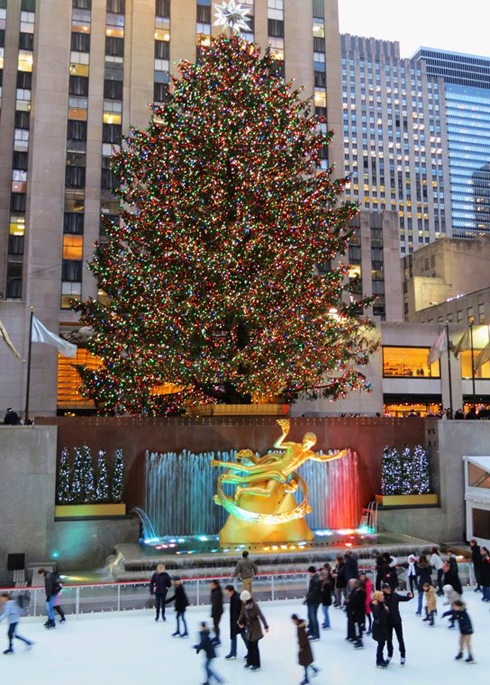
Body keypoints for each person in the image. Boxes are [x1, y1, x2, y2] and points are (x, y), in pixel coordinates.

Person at [382, 582, 413, 665]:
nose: (389, 589)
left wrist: (409, 596)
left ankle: (403, 655)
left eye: (389, 588)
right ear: (384, 589)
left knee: (400, 638)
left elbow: (404, 598)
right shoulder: (382, 598)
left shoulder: (395, 595)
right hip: (388, 622)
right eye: (387, 588)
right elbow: (374, 604)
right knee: (389, 639)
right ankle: (389, 654)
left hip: (397, 621)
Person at [238, 590, 269, 672]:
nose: (243, 601)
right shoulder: (244, 604)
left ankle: (257, 664)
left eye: (244, 600)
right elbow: (242, 613)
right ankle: (249, 661)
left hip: (255, 628)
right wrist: (240, 621)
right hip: (249, 628)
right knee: (250, 646)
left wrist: (266, 626)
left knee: (254, 646)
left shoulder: (254, 605)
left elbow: (261, 615)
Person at [442, 599, 475, 663]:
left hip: (468, 630)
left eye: (455, 606)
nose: (454, 607)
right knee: (460, 642)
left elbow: (468, 622)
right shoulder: (457, 611)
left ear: (459, 606)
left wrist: (466, 628)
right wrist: (445, 614)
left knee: (467, 643)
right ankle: (460, 653)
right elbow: (451, 612)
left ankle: (470, 656)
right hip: (462, 630)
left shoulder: (464, 613)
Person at [291, 614, 320, 685]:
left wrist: (301, 647)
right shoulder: (301, 626)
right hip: (306, 648)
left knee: (305, 663)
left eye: (292, 621)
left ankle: (306, 678)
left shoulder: (300, 629)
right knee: (306, 662)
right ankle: (314, 669)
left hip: (304, 649)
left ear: (295, 620)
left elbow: (302, 639)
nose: (292, 622)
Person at [224, 585, 247, 660]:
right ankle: (233, 652)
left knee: (244, 636)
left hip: (239, 622)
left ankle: (250, 651)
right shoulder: (233, 597)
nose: (227, 595)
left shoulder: (237, 598)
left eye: (227, 593)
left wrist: (241, 622)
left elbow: (242, 611)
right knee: (234, 636)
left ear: (231, 591)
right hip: (234, 621)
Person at [370, 590, 390, 668]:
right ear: (378, 597)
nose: (383, 597)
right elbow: (380, 617)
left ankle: (380, 659)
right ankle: (379, 660)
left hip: (381, 628)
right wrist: (386, 611)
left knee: (381, 644)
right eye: (382, 596)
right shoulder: (376, 606)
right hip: (379, 629)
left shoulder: (381, 604)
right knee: (381, 644)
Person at [346, 579, 366, 649]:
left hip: (359, 613)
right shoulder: (356, 592)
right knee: (356, 626)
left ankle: (359, 641)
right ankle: (355, 637)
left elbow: (357, 602)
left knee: (359, 627)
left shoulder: (361, 593)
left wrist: (350, 600)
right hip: (355, 612)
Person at [305, 566, 322, 641]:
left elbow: (315, 591)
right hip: (311, 601)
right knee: (310, 616)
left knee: (313, 617)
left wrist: (309, 598)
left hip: (314, 601)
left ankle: (316, 634)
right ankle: (311, 631)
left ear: (311, 572)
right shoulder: (314, 579)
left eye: (309, 572)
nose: (308, 574)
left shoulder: (316, 580)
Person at [210, 580, 223, 646]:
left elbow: (216, 604)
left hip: (217, 611)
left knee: (216, 625)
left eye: (212, 584)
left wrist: (213, 612)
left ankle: (218, 638)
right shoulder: (214, 591)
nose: (210, 585)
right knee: (215, 625)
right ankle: (216, 637)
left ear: (215, 585)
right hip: (216, 611)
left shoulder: (217, 593)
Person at [320, 564, 333, 629]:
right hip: (325, 599)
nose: (322, 576)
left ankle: (327, 624)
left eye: (323, 575)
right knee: (324, 611)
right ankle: (326, 622)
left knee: (325, 612)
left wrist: (322, 591)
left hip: (326, 600)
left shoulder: (327, 583)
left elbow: (326, 592)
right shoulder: (323, 582)